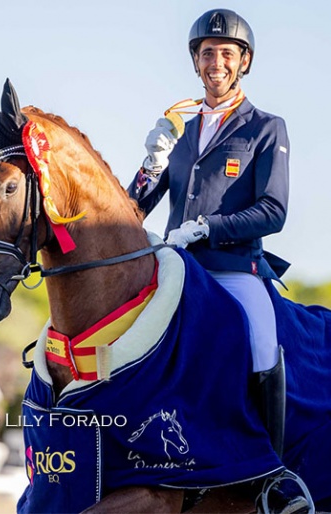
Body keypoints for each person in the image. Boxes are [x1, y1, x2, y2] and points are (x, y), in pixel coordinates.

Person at [128, 8, 290, 456]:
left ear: (243, 62)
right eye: (205, 53)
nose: (214, 61)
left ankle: (271, 471)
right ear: (195, 61)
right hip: (173, 268)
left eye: (225, 53)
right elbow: (133, 209)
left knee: (261, 344)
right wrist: (151, 165)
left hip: (233, 269)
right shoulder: (179, 128)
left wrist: (207, 229)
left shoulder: (264, 128)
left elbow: (274, 211)